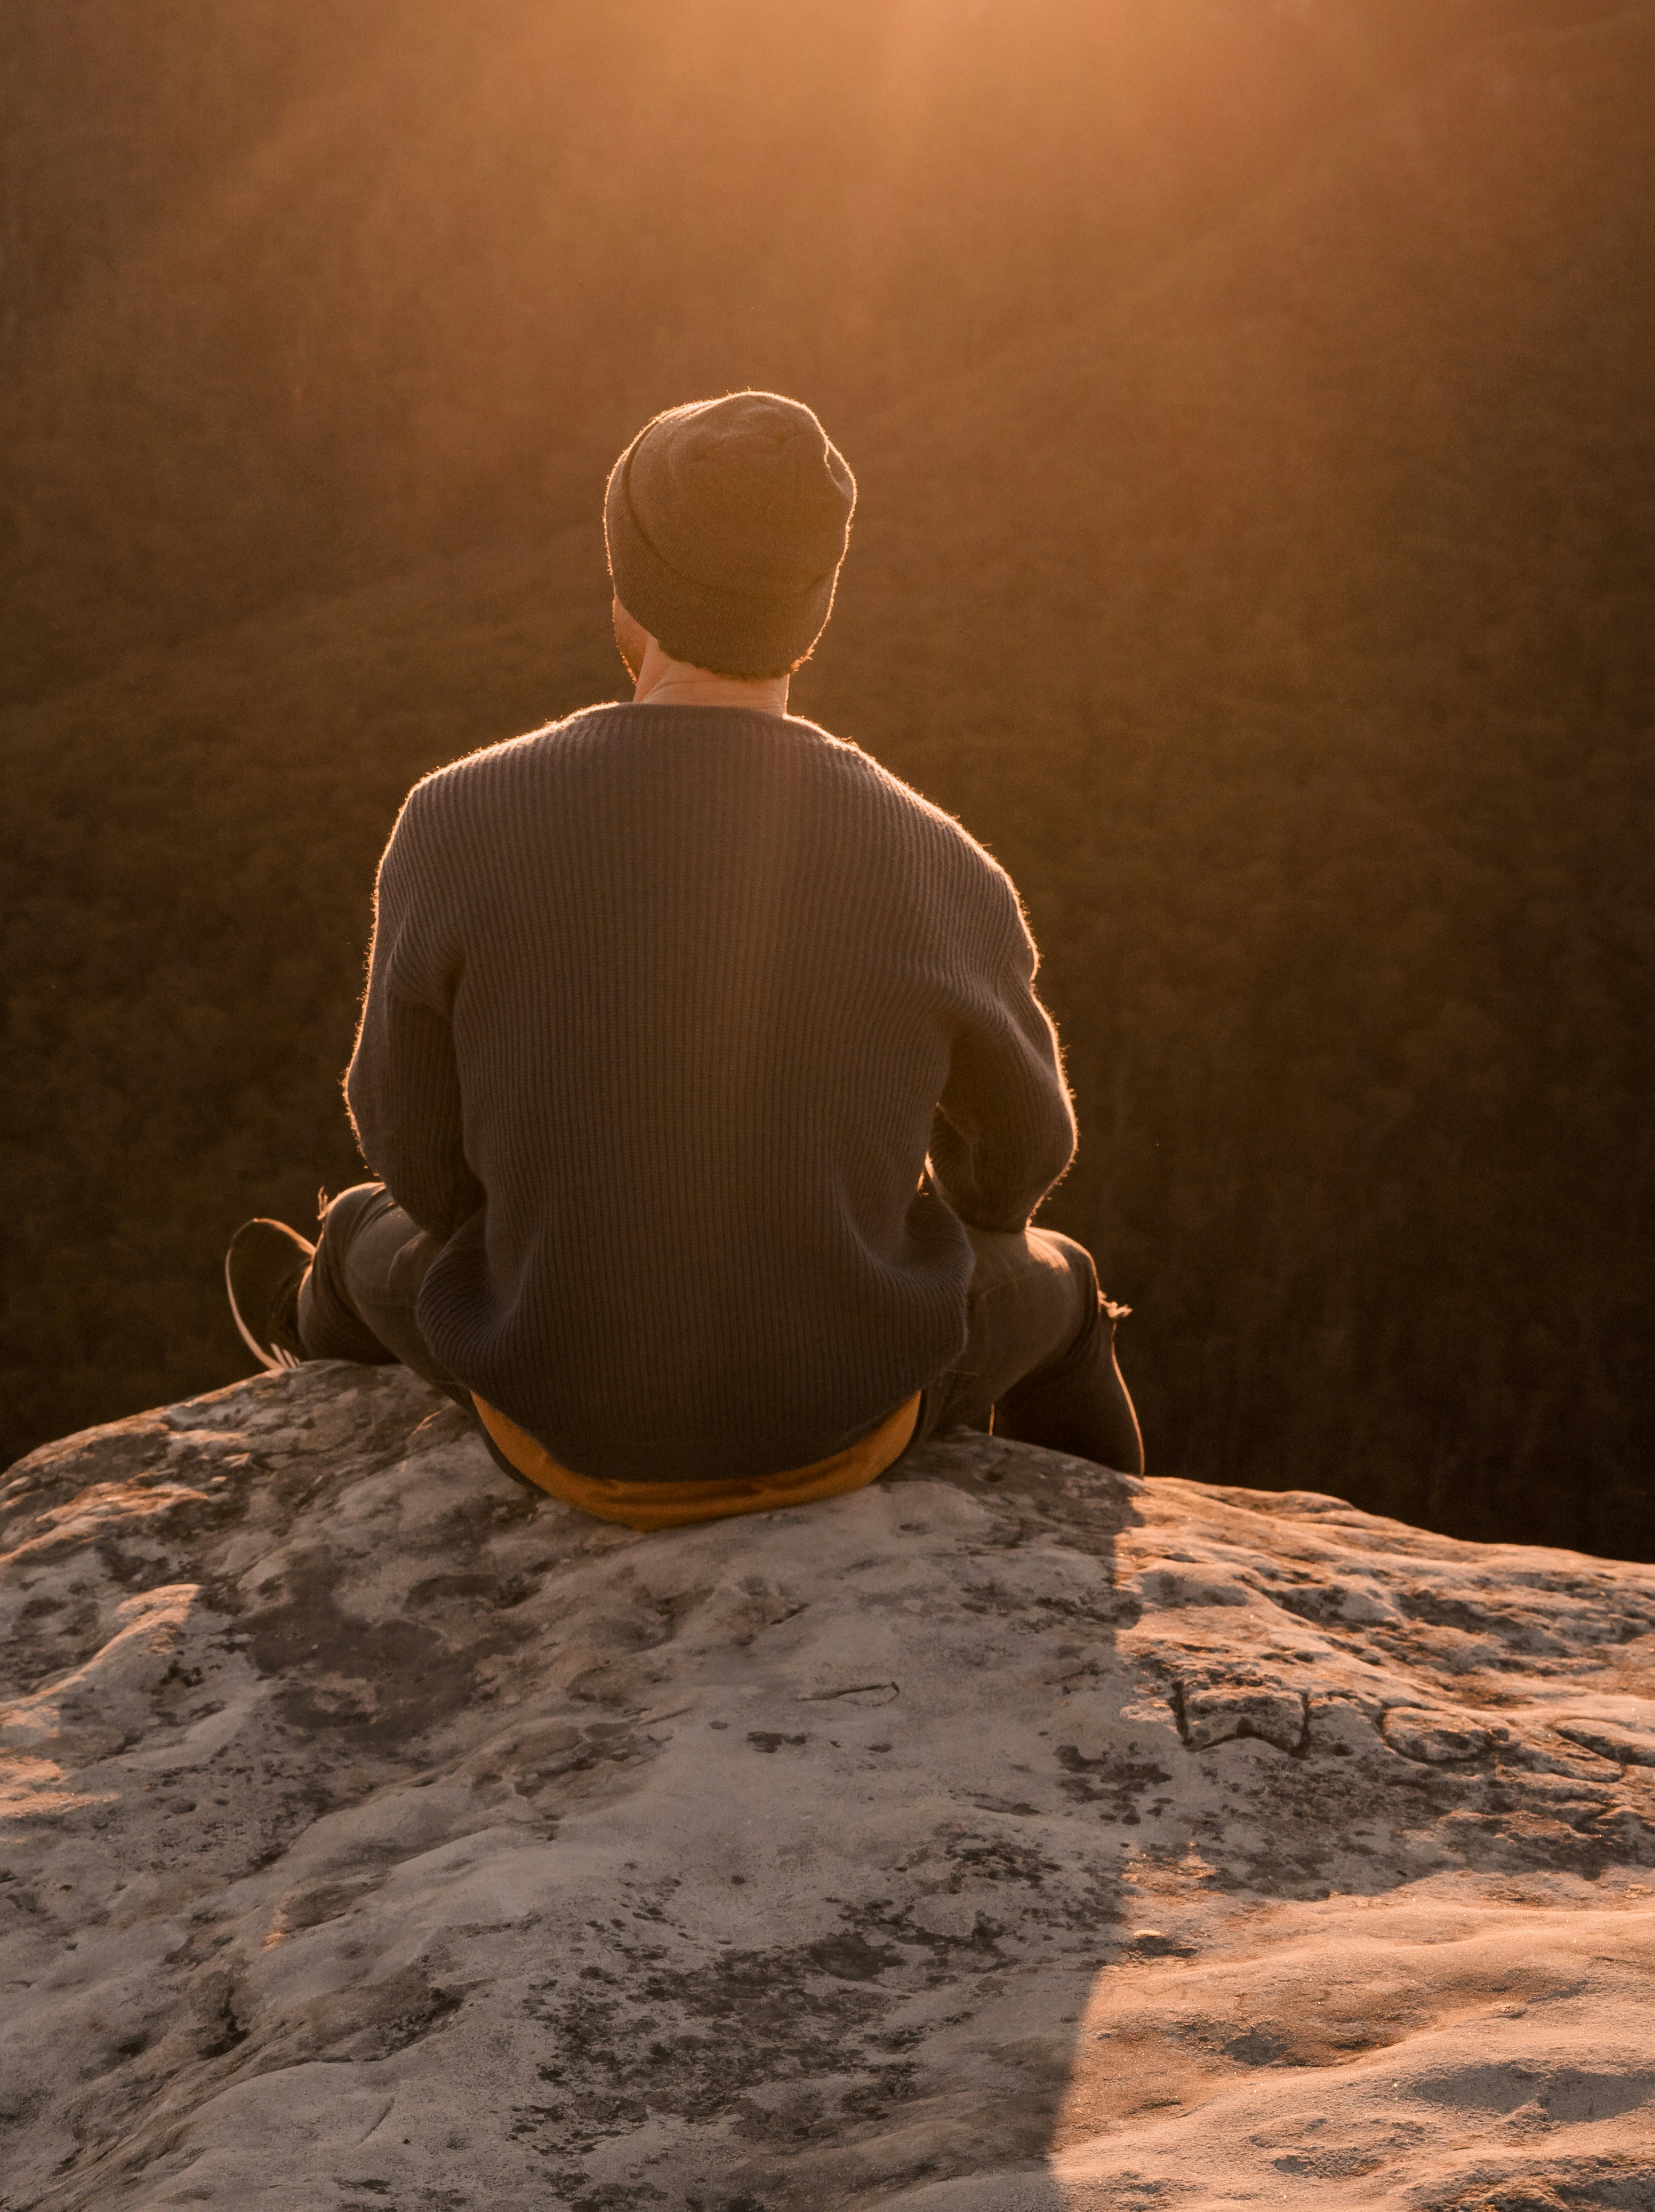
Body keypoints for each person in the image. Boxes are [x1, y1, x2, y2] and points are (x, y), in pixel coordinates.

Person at [226, 388, 1140, 1528]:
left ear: (629, 594)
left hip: (545, 1421)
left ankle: (306, 1333)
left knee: (365, 1224)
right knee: (1062, 1289)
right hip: (847, 1428)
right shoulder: (935, 860)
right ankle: (1097, 1557)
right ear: (811, 613)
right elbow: (1014, 1172)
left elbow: (423, 1169)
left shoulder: (453, 816)